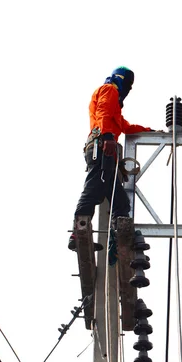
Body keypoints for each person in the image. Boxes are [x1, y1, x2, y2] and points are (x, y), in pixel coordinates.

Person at [68, 67, 153, 250]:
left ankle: (121, 235)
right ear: (121, 80)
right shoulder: (109, 90)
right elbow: (103, 112)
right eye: (128, 84)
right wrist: (107, 137)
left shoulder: (115, 103)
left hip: (105, 152)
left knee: (119, 200)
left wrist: (150, 132)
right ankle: (78, 231)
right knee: (93, 188)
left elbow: (124, 126)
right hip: (101, 147)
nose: (129, 89)